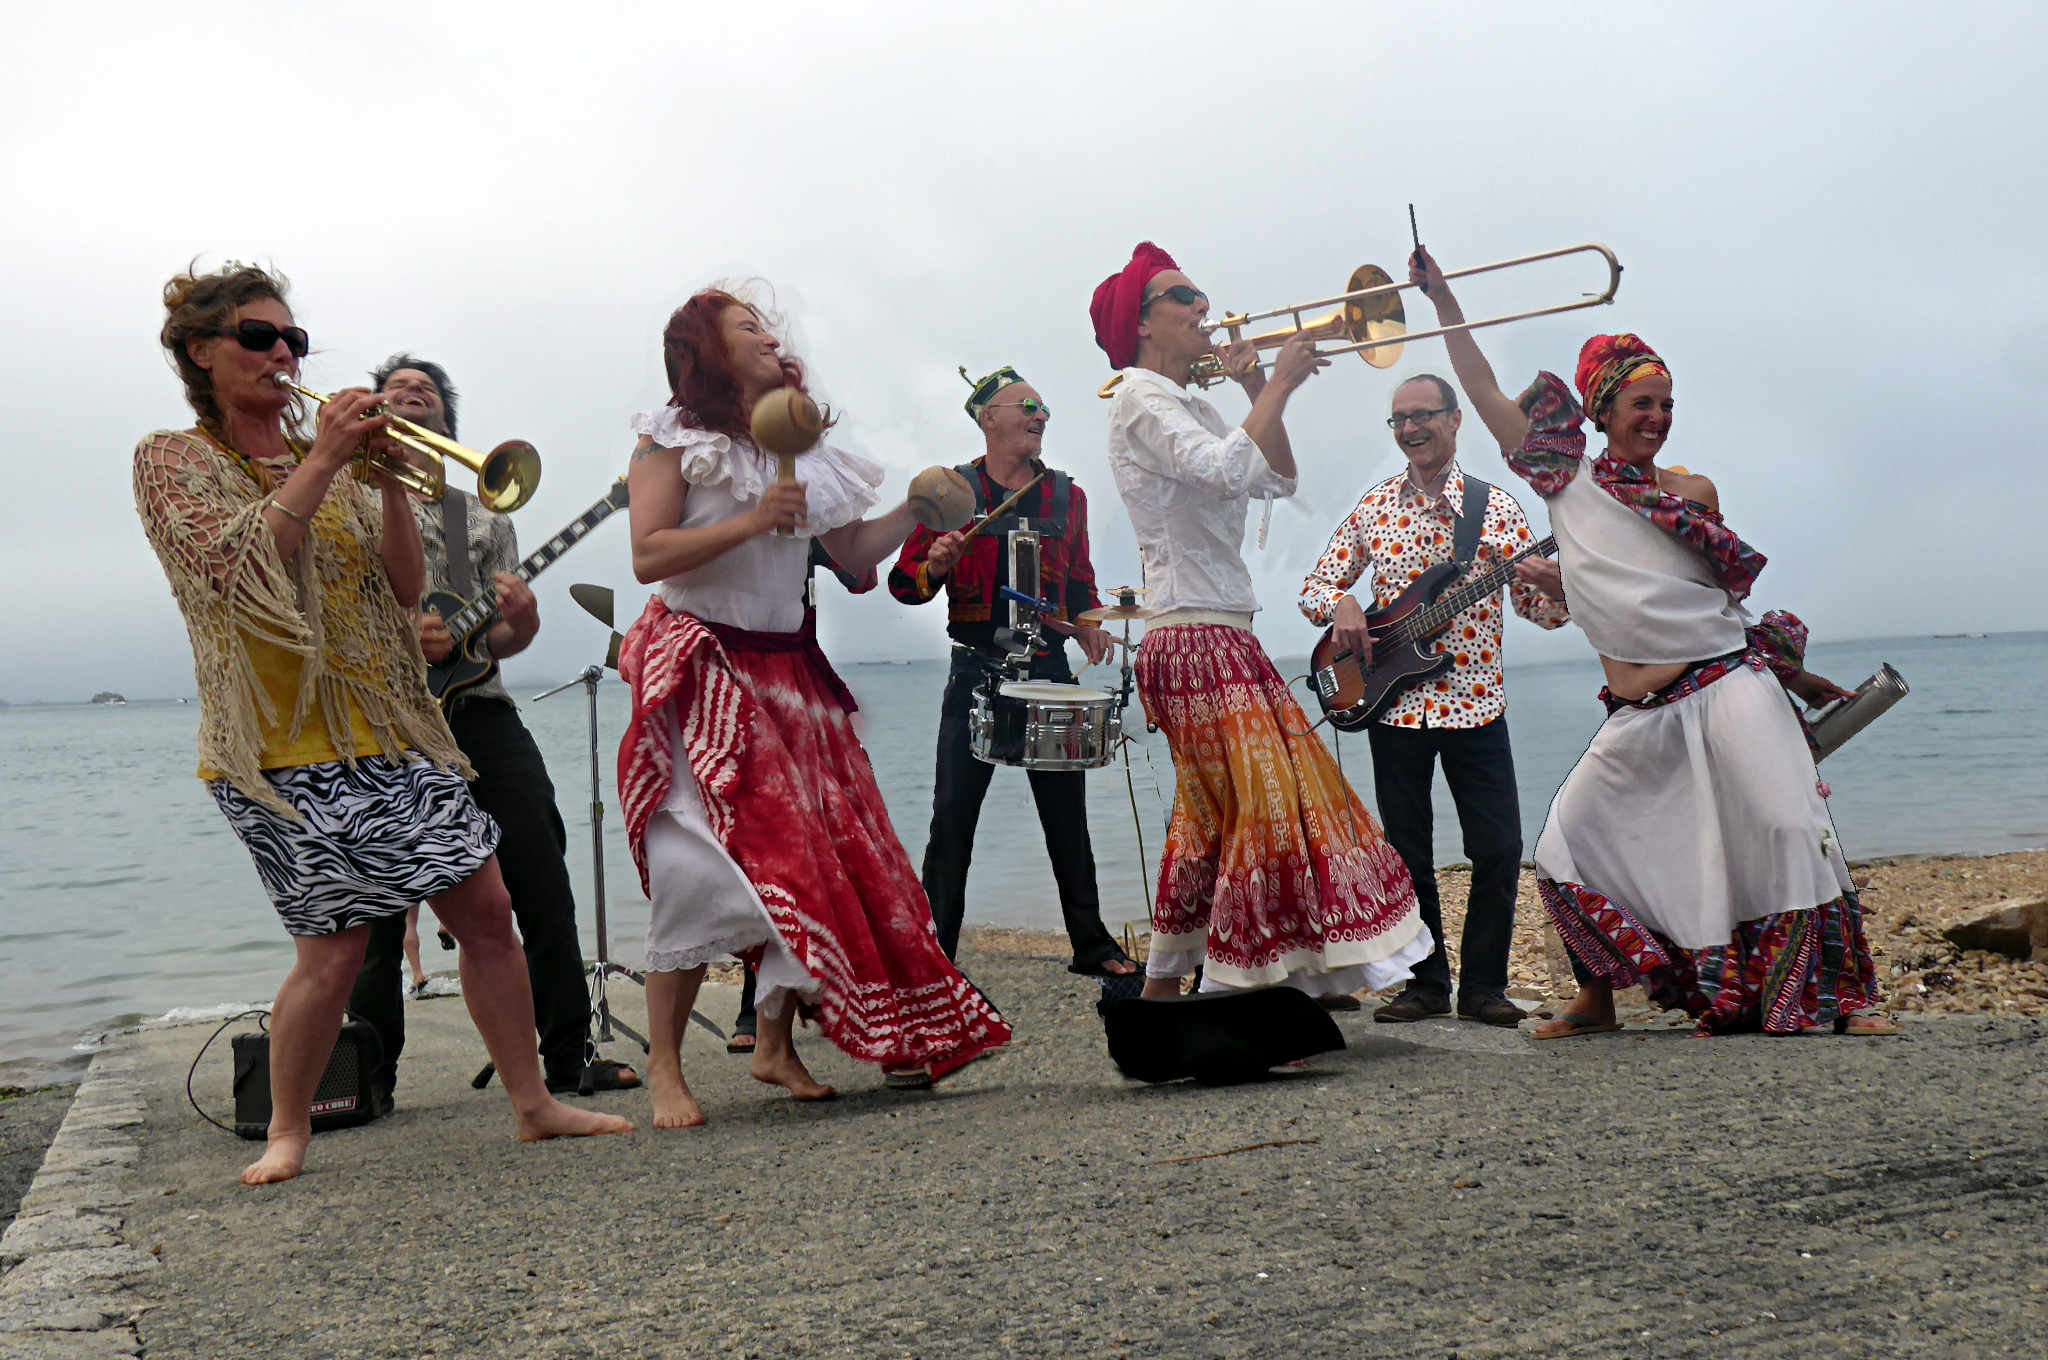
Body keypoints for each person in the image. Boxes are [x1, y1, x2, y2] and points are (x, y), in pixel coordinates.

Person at [134, 264, 630, 1185]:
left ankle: (534, 1103)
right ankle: (289, 1129)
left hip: (395, 729)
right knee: (335, 947)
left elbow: (407, 586)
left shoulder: (343, 470)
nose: (282, 353)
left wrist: (390, 483)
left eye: (293, 339)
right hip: (281, 744)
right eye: (258, 336)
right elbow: (231, 568)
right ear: (201, 352)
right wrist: (324, 460)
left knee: (486, 912)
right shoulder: (174, 460)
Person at [1407, 244, 1890, 1037]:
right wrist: (1444, 302)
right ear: (1599, 413)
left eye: (1668, 404)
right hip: (1642, 709)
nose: (1658, 418)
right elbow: (1485, 389)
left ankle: (1840, 1001)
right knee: (1570, 838)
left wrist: (1791, 678)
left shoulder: (1692, 494)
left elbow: (1702, 604)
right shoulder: (1567, 482)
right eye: (1643, 404)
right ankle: (1596, 1003)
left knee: (1790, 830)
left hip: (1728, 686)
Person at [620, 286, 1011, 1127]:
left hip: (789, 670)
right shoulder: (672, 439)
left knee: (808, 859)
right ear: (706, 354)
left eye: (768, 326)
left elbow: (852, 549)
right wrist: (755, 518)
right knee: (696, 868)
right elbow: (649, 555)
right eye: (745, 329)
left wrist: (914, 510)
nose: (768, 337)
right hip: (706, 664)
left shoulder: (804, 444)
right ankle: (663, 1066)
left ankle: (773, 1046)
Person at [1090, 242, 1429, 1001]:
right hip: (1191, 632)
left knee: (1221, 815)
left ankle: (1173, 988)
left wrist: (1255, 389)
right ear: (1144, 324)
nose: (1204, 308)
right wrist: (1275, 382)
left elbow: (1275, 476)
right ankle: (1245, 982)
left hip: (1222, 629)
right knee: (1270, 805)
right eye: (1186, 298)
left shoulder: (1194, 403)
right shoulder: (1141, 397)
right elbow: (1217, 470)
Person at [343, 356, 639, 1103]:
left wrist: (524, 623)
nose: (414, 399)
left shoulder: (478, 514)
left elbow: (495, 643)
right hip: (380, 720)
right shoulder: (340, 498)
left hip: (481, 713)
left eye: (429, 398)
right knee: (379, 905)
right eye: (397, 392)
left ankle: (568, 1057)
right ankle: (369, 1077)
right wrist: (403, 638)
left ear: (448, 429)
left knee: (542, 876)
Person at [1298, 372, 1571, 1026]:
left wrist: (1556, 583)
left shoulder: (1499, 510)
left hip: (1476, 705)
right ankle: (1425, 984)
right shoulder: (1375, 509)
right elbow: (1314, 587)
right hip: (1393, 708)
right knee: (1407, 852)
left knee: (1500, 848)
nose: (1410, 428)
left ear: (1454, 421)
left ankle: (1482, 985)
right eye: (1399, 419)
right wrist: (1340, 604)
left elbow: (1542, 611)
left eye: (1423, 415)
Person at [887, 365, 1137, 979]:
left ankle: (1092, 944)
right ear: (988, 418)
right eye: (1026, 406)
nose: (1039, 415)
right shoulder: (950, 492)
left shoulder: (1065, 496)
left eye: (1043, 408)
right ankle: (935, 954)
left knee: (1066, 813)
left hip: (1047, 667)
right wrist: (937, 565)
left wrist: (1089, 622)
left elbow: (1079, 582)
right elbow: (903, 584)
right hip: (976, 668)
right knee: (952, 817)